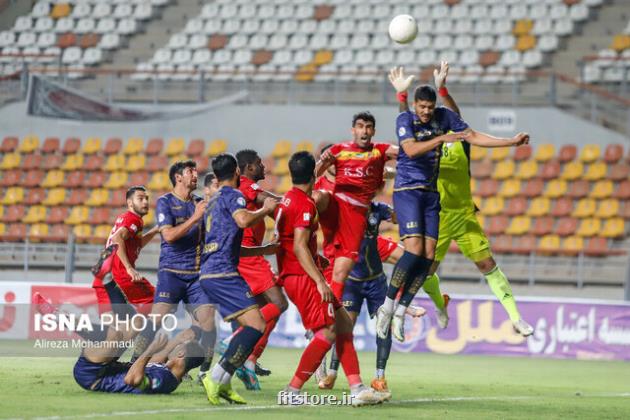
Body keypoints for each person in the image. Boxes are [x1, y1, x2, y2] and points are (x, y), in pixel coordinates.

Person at [376, 66, 531, 342]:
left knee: (487, 264)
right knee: (423, 269)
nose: (428, 113)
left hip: (464, 214)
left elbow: (464, 126)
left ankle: (516, 317)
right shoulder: (427, 142)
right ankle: (437, 303)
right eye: (422, 107)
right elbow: (408, 143)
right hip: (437, 213)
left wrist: (510, 142)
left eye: (432, 108)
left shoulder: (458, 138)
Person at [275, 151, 384, 406]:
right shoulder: (303, 204)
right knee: (328, 330)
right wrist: (320, 280)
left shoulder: (287, 200)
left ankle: (357, 387)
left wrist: (317, 261)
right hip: (302, 276)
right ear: (314, 173)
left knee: (344, 323)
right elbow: (300, 246)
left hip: (297, 272)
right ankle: (292, 390)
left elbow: (286, 242)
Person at [199, 153, 278, 405]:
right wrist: (266, 210)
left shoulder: (211, 201)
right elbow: (243, 219)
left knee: (250, 325)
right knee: (257, 325)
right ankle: (216, 377)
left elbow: (226, 242)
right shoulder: (233, 195)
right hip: (224, 273)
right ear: (236, 173)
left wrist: (262, 250)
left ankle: (222, 382)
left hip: (210, 271)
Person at [130, 160, 218, 382]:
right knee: (156, 320)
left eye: (196, 171)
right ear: (178, 177)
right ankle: (133, 362)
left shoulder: (200, 203)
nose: (195, 175)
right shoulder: (165, 202)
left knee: (207, 323)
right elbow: (168, 236)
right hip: (171, 273)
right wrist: (196, 217)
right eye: (190, 171)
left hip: (196, 275)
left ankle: (203, 371)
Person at [315, 112, 398, 302]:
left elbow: (371, 188)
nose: (365, 131)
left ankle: (400, 305)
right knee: (339, 294)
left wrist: (387, 173)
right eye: (360, 127)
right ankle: (323, 325)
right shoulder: (320, 190)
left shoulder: (361, 168)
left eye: (368, 127)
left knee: (407, 258)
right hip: (336, 242)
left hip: (364, 236)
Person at [229, 149, 287, 388]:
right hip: (249, 256)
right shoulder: (248, 186)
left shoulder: (240, 189)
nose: (264, 167)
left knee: (260, 310)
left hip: (242, 255)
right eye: (259, 164)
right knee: (279, 303)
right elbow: (275, 203)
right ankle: (237, 344)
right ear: (249, 168)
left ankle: (246, 360)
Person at [91, 186, 159, 315]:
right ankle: (143, 335)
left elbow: (136, 244)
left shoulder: (126, 218)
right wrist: (128, 268)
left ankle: (60, 318)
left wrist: (154, 231)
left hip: (104, 279)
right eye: (140, 199)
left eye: (146, 198)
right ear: (130, 203)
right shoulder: (133, 219)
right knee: (161, 302)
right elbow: (117, 238)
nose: (145, 202)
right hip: (120, 276)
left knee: (114, 332)